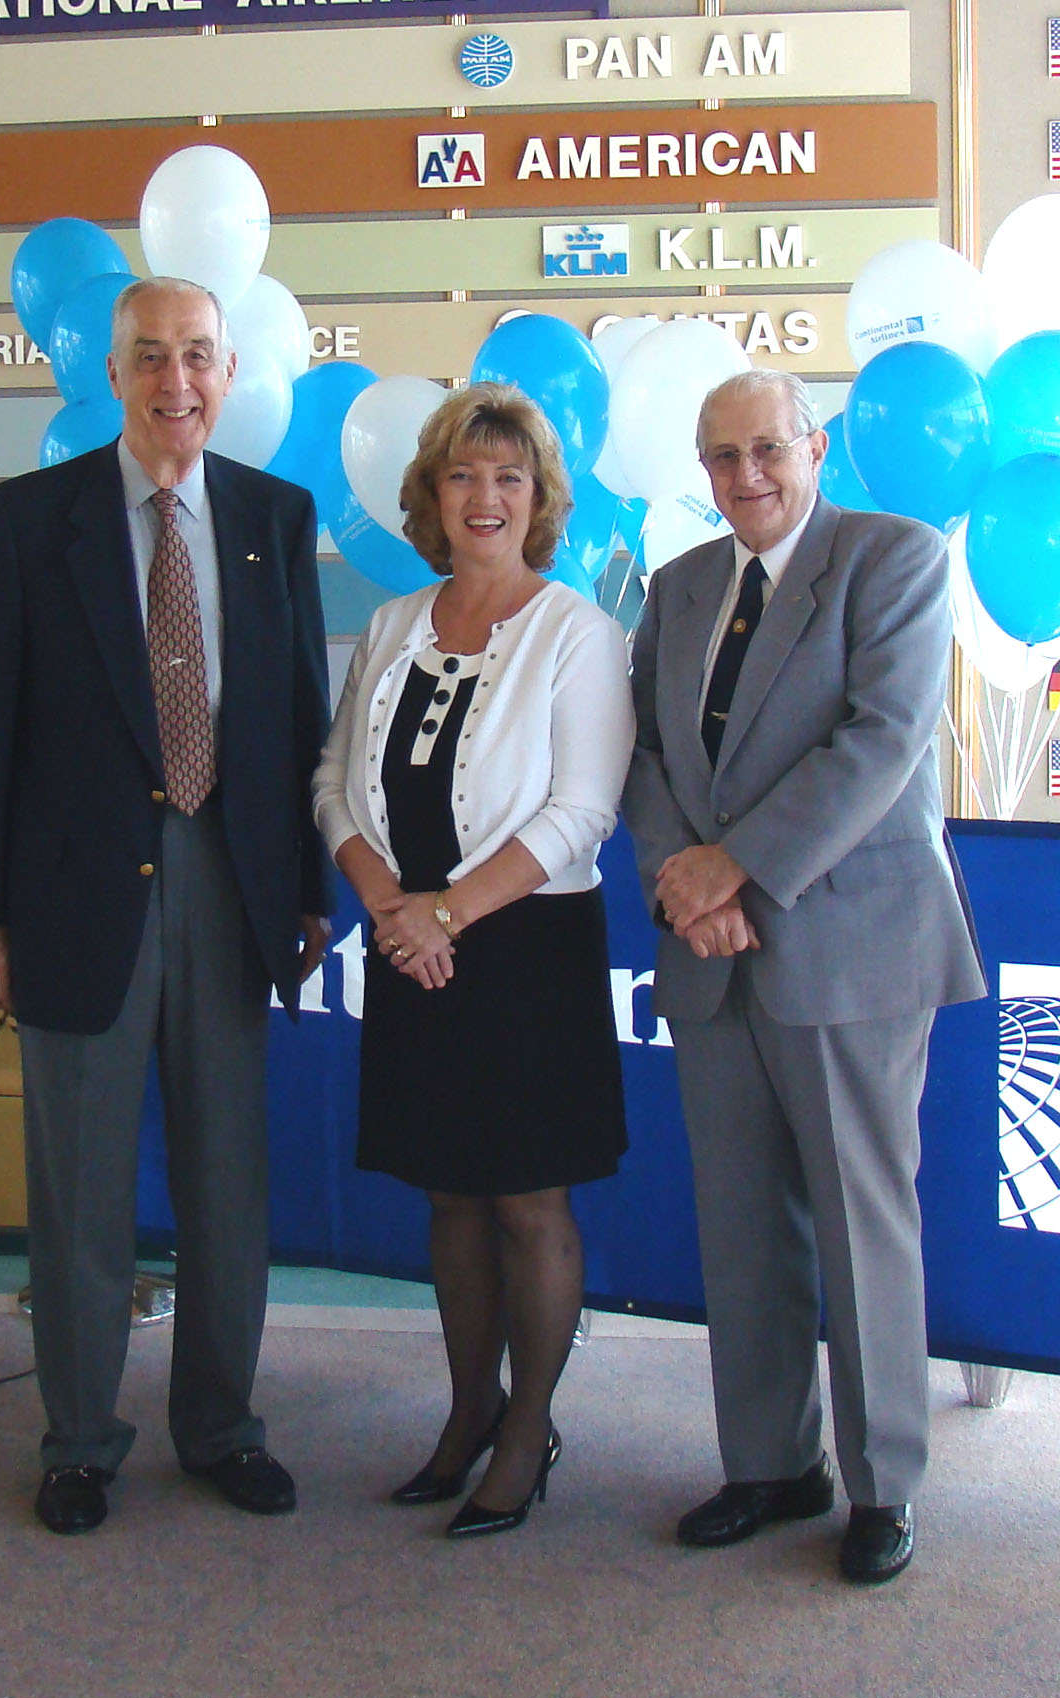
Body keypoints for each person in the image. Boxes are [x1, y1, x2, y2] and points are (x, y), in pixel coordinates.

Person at [0, 276, 333, 1535]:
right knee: (79, 1194)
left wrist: (308, 890)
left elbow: (297, 726)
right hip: (69, 906)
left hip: (232, 888)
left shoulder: (278, 515)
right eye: (152, 358)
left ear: (229, 374)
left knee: (231, 1184)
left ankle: (221, 1427)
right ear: (111, 375)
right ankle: (79, 1440)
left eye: (200, 358)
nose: (178, 382)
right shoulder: (24, 523)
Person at [622, 368, 985, 1584]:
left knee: (861, 1225)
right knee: (743, 1227)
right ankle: (773, 1465)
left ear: (814, 446)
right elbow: (651, 757)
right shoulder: (676, 590)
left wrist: (735, 872)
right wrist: (682, 877)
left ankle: (885, 1485)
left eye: (767, 450)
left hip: (849, 942)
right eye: (722, 458)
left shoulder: (893, 558)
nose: (746, 479)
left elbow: (880, 739)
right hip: (712, 951)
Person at [313, 384, 633, 1538]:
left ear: (540, 499)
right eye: (463, 475)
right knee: (449, 1193)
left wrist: (444, 917)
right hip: (409, 943)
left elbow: (580, 813)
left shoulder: (578, 632)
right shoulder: (393, 626)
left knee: (526, 1200)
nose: (485, 497)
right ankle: (465, 1411)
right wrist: (388, 905)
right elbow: (333, 781)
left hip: (525, 951)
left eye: (510, 478)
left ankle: (529, 1425)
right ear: (430, 496)